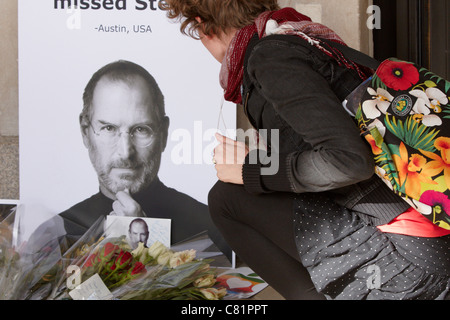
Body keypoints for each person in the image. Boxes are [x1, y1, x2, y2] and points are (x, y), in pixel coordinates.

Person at [162, 0, 450, 300]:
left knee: (227, 199)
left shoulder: (271, 57)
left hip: (410, 260)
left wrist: (251, 169)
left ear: (204, 27)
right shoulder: (303, 40)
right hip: (428, 245)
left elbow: (349, 162)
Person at [59, 60, 231, 260]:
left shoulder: (211, 227)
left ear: (164, 134)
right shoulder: (59, 232)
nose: (125, 152)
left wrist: (143, 243)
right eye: (108, 128)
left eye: (141, 130)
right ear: (85, 132)